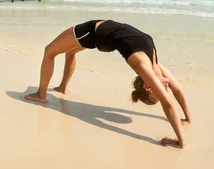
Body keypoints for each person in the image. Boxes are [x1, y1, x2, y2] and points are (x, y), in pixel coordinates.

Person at [24, 20, 193, 149]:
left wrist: (180, 141)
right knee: (69, 52)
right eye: (163, 90)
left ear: (148, 86)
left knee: (49, 50)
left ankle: (41, 95)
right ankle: (59, 88)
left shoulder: (145, 66)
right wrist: (187, 119)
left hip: (95, 33)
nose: (166, 88)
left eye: (161, 89)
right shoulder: (154, 65)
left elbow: (168, 104)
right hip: (101, 34)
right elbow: (176, 91)